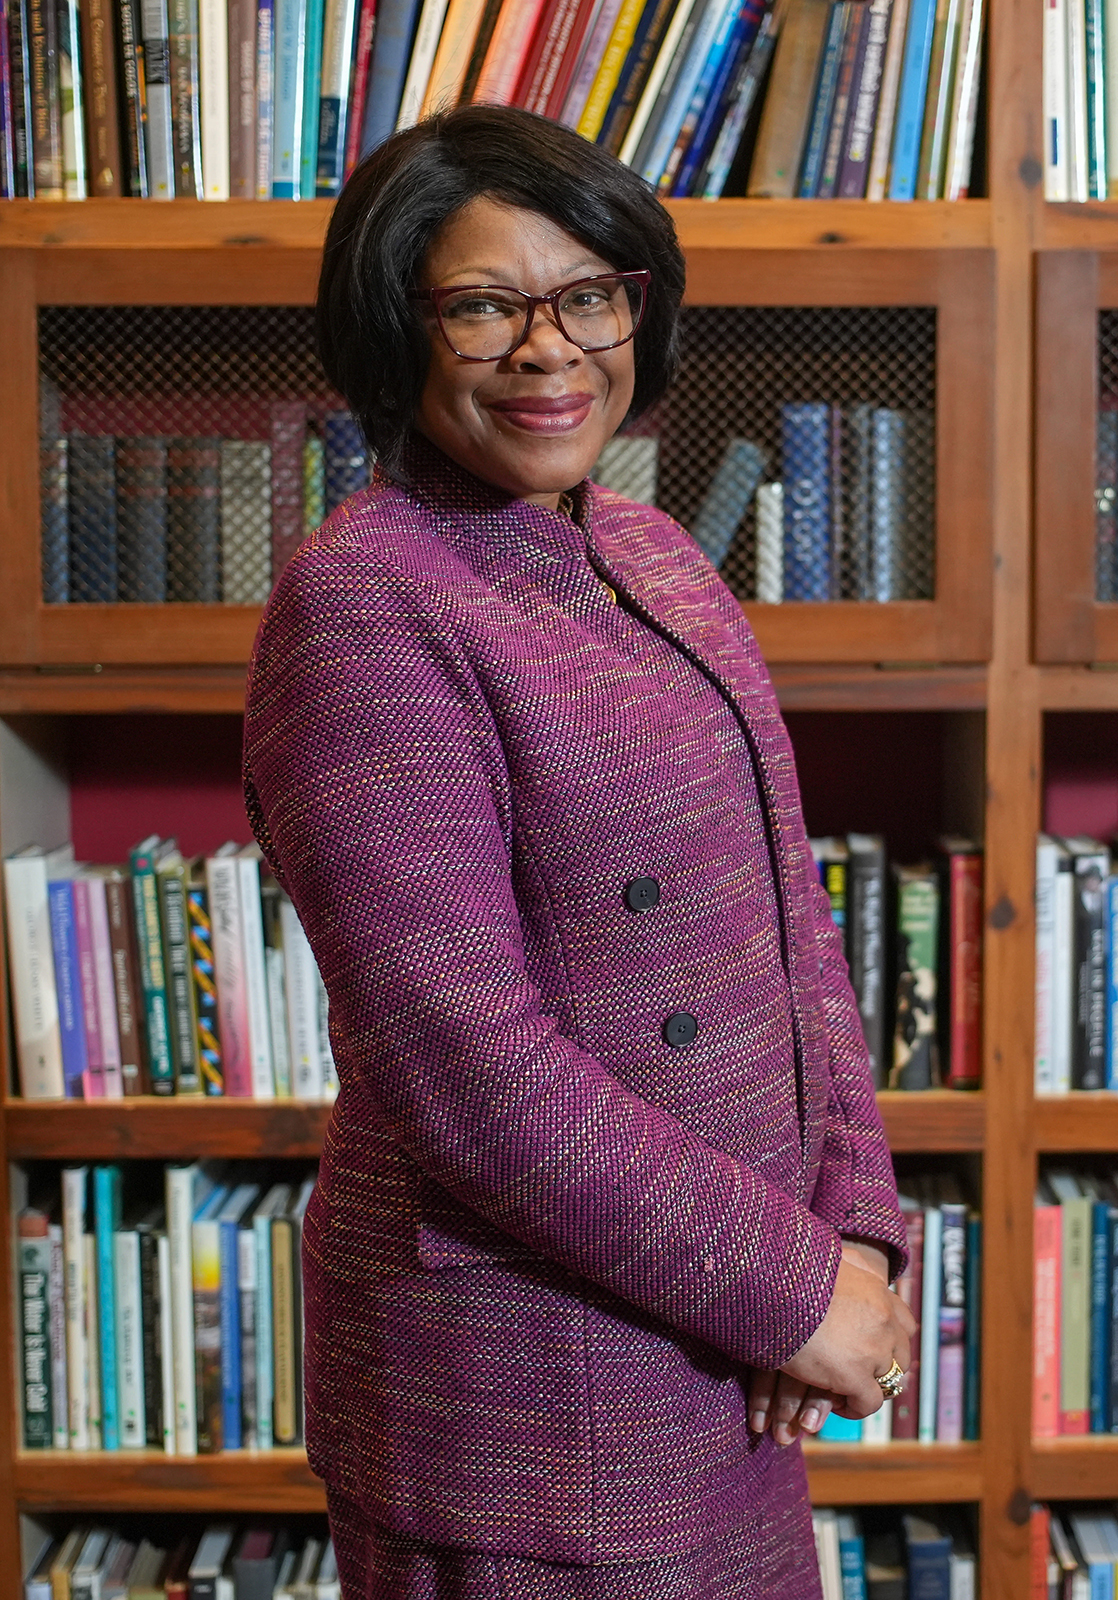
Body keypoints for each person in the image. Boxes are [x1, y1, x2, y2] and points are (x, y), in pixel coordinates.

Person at [243, 104, 915, 1600]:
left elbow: (790, 930)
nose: (550, 351)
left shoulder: (653, 549)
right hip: (523, 1410)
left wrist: (855, 1228)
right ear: (395, 330)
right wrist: (792, 1283)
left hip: (723, 1353)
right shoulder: (362, 603)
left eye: (590, 295)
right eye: (484, 306)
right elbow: (468, 1067)